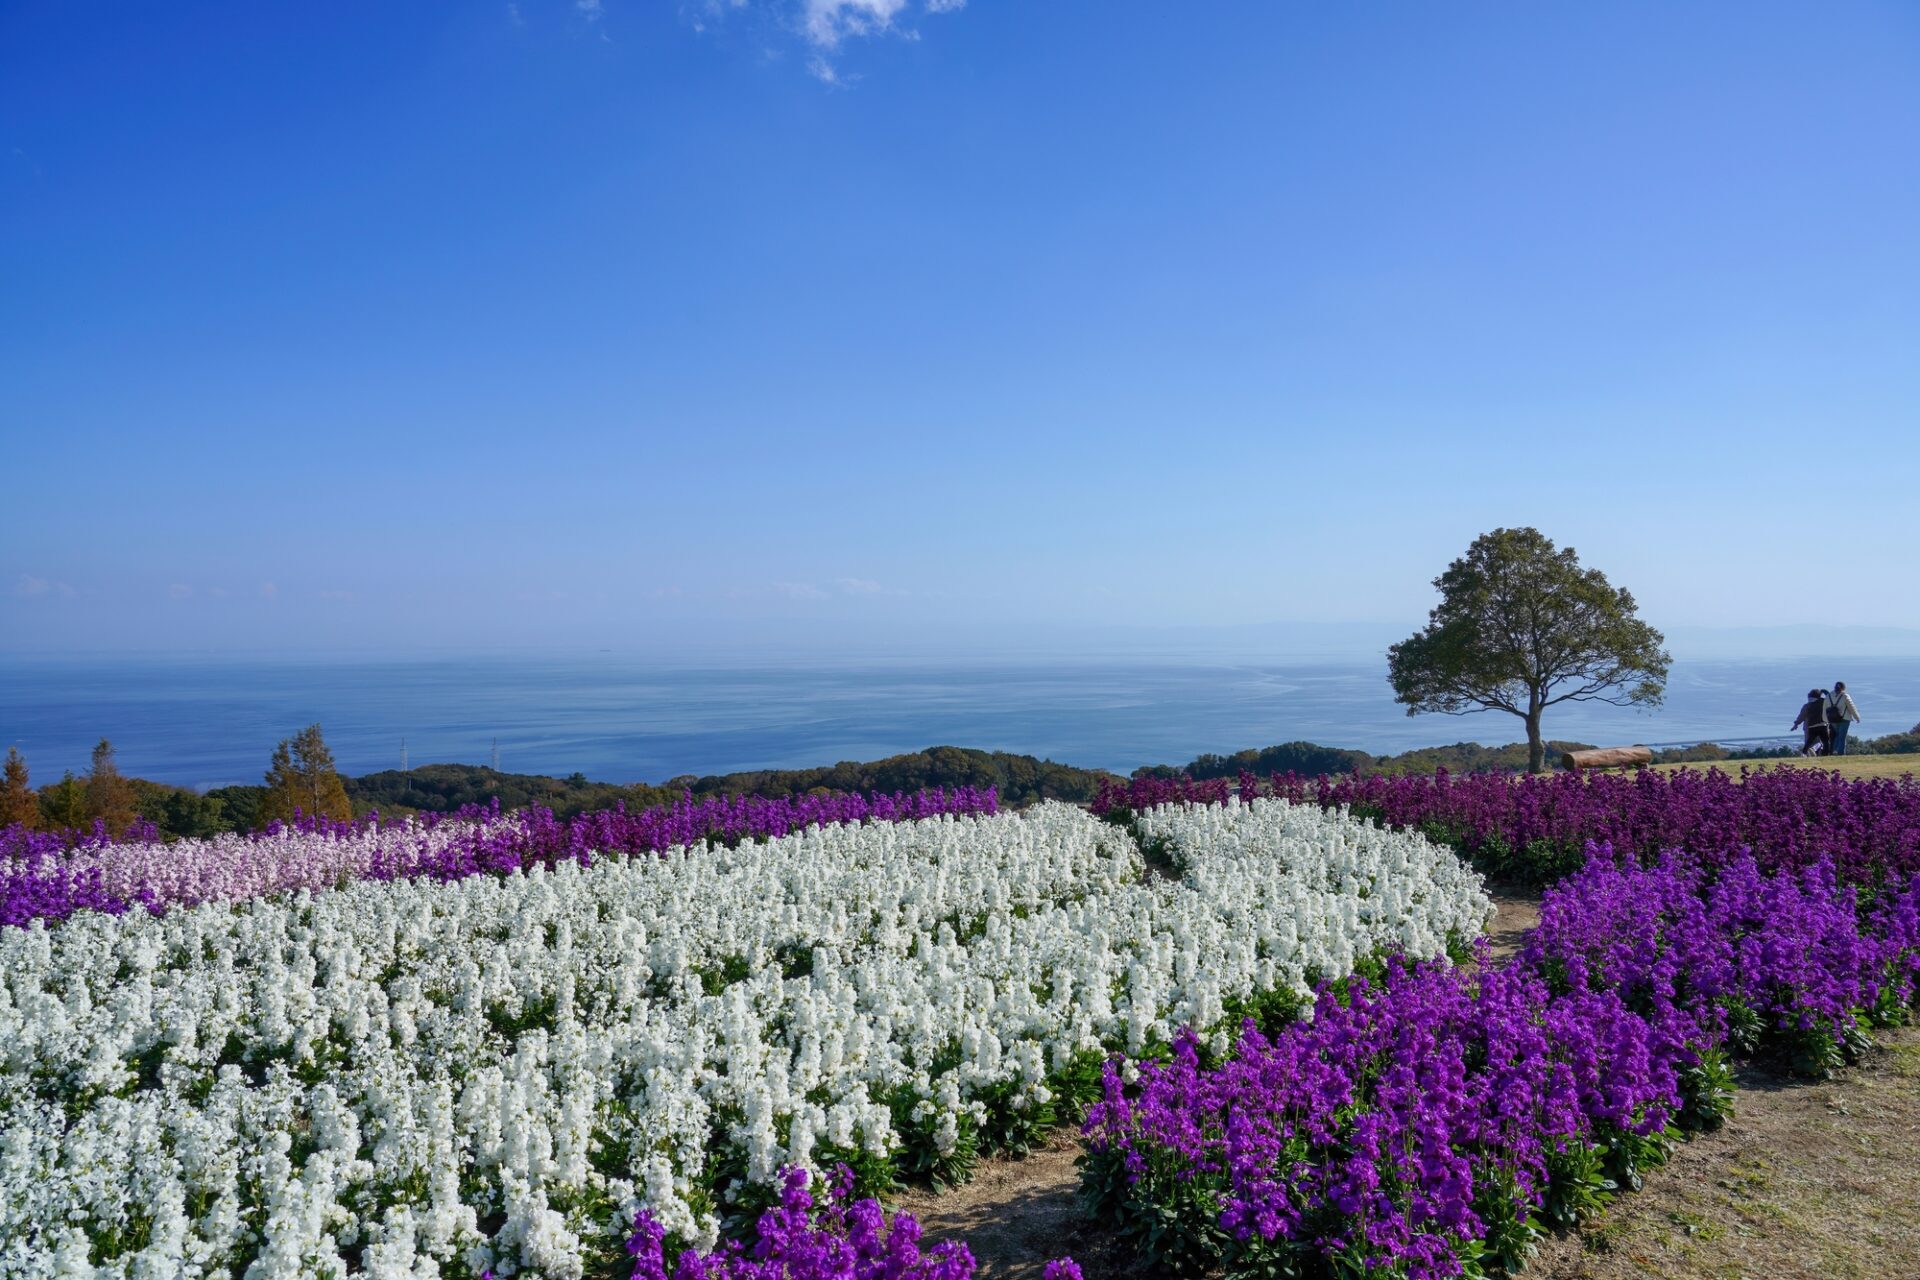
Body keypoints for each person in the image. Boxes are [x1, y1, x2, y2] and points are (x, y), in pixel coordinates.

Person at [1792, 688, 1830, 756]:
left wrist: (1796, 724)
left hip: (1809, 727)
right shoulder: (1823, 703)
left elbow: (1802, 716)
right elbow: (1830, 700)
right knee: (1823, 742)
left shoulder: (1807, 705)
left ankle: (1808, 753)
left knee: (1810, 743)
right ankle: (1821, 754)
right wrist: (1825, 692)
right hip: (1823, 725)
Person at [1829, 681, 1861, 756]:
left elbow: (1825, 708)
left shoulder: (1829, 696)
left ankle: (1835, 750)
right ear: (1843, 688)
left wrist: (1826, 719)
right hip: (1844, 718)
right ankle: (1840, 753)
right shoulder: (1845, 696)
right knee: (1842, 736)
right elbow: (1851, 707)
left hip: (1832, 719)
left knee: (1837, 734)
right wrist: (1857, 717)